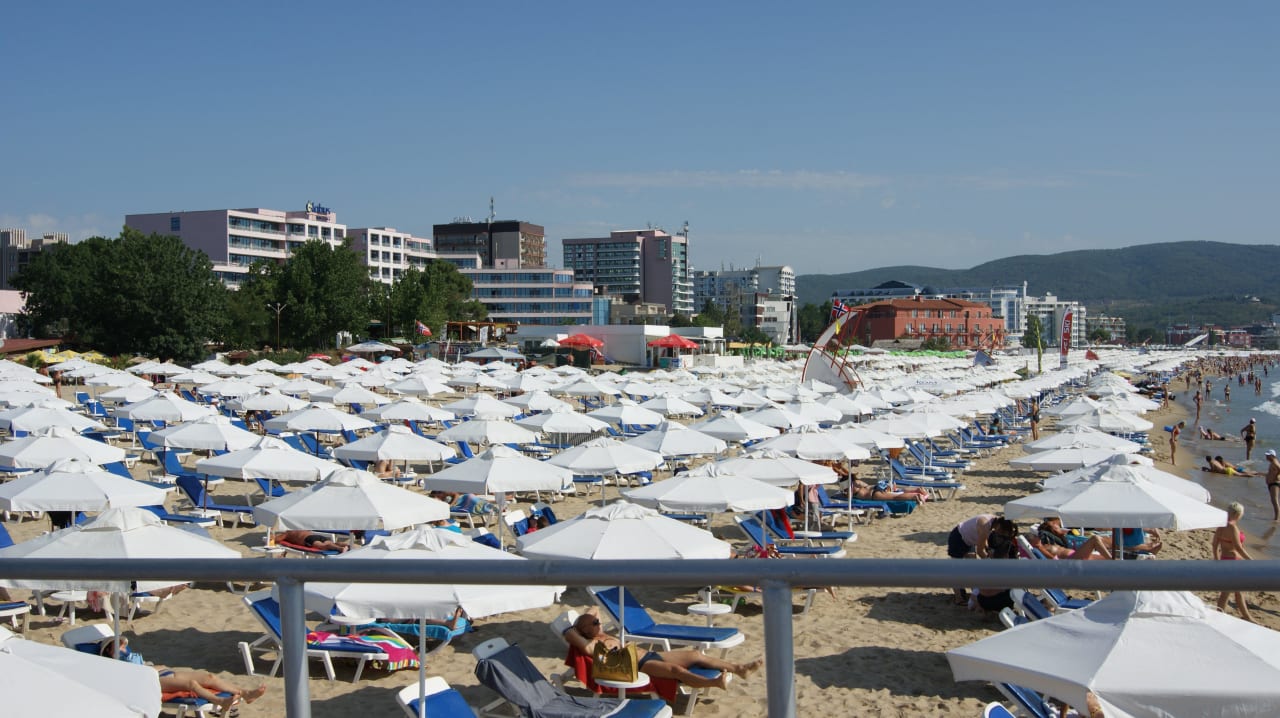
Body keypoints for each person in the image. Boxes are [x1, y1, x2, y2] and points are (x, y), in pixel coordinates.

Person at [563, 608, 761, 690]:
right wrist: (576, 628)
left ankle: (739, 669)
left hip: (649, 654)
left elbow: (594, 609)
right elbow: (570, 634)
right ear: (585, 630)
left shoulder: (600, 632)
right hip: (638, 665)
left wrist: (585, 620)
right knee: (677, 671)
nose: (599, 622)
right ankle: (714, 683)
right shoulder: (592, 645)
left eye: (597, 621)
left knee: (695, 655)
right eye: (594, 623)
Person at [102, 637, 267, 713]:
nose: (122, 647)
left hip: (164, 671)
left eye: (122, 644)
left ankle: (245, 693)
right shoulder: (116, 666)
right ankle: (220, 701)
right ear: (109, 652)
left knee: (209, 677)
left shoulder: (132, 657)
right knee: (192, 685)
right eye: (117, 646)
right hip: (152, 680)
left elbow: (152, 665)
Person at [947, 515, 1016, 604]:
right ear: (999, 526)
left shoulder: (996, 521)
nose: (999, 534)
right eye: (1001, 532)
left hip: (969, 541)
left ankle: (975, 594)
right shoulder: (985, 525)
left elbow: (984, 539)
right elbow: (980, 551)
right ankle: (959, 598)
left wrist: (988, 549)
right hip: (958, 538)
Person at [1211, 501, 1254, 622]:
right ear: (1237, 514)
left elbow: (1215, 544)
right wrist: (1250, 560)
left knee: (1236, 591)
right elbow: (1238, 547)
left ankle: (1247, 617)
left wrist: (1217, 559)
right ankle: (1219, 615)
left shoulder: (1221, 526)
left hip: (1225, 559)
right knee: (1227, 592)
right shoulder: (1233, 527)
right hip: (1233, 561)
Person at [1031, 517, 1112, 560]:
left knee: (1105, 559)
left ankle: (1114, 562)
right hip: (1072, 559)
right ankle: (1113, 562)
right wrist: (1039, 547)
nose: (1058, 526)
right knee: (1095, 539)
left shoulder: (1055, 542)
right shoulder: (1041, 547)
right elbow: (1053, 560)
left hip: (1075, 555)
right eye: (1055, 525)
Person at [848, 476, 928, 505]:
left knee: (895, 497)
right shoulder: (858, 484)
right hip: (877, 488)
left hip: (874, 495)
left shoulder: (852, 486)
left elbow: (849, 497)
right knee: (898, 492)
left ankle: (915, 496)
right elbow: (867, 486)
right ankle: (916, 490)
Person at [275, 530, 350, 553]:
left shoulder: (287, 533)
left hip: (309, 539)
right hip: (317, 536)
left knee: (323, 546)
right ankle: (346, 545)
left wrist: (276, 536)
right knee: (332, 543)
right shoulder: (300, 529)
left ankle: (340, 549)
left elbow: (276, 540)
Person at [1264, 449, 1280, 521]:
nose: (1266, 456)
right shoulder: (1273, 462)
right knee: (1273, 500)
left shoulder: (1274, 462)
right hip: (1272, 483)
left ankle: (1277, 518)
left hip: (1274, 484)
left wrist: (1277, 475)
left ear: (1272, 456)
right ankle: (1276, 517)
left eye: (1268, 455)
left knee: (1275, 500)